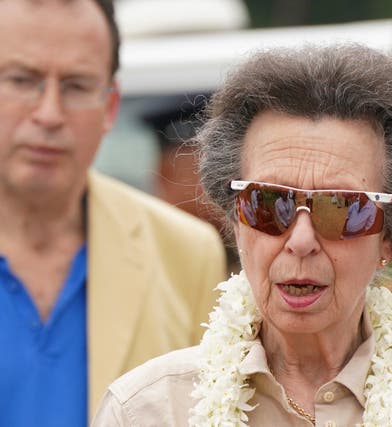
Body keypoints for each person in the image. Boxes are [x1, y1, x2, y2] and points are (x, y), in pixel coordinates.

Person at [91, 44, 392, 426]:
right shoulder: (146, 411)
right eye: (268, 204)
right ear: (236, 221)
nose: (300, 240)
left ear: (388, 237)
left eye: (341, 210)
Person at [0, 0, 226, 424]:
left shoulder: (186, 253)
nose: (48, 113)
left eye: (76, 85)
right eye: (21, 79)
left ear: (109, 106)